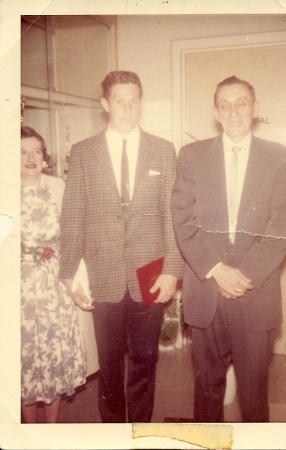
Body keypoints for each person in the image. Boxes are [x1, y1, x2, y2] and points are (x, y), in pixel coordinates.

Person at [59, 70, 183, 423]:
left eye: (133, 100)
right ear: (105, 104)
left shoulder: (162, 150)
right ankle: (112, 434)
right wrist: (68, 273)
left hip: (150, 273)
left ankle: (139, 433)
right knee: (109, 365)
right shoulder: (83, 153)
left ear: (140, 103)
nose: (127, 108)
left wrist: (172, 270)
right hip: (104, 273)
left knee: (146, 360)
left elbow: (173, 215)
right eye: (119, 100)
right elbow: (72, 216)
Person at [171, 75, 286, 423]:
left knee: (254, 395)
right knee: (206, 391)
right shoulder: (192, 156)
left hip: (255, 295)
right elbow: (183, 219)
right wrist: (217, 270)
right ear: (215, 111)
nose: (233, 112)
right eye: (224, 105)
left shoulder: (282, 158)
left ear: (256, 108)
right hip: (205, 290)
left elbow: (282, 226)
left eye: (241, 103)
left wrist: (243, 276)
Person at [21, 126, 99, 423]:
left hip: (55, 284)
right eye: (22, 152)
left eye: (36, 151)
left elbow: (73, 233)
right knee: (24, 358)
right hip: (19, 289)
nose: (31, 157)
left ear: (45, 156)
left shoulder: (58, 187)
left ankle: (52, 429)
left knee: (53, 355)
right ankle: (28, 428)